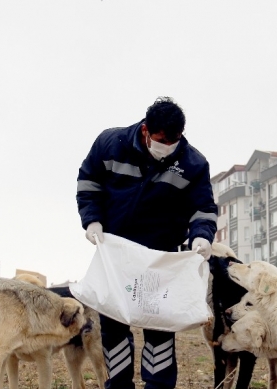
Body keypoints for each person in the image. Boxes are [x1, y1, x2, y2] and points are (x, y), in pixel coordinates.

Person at [76, 96, 218, 389]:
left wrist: (201, 236)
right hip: (116, 253)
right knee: (113, 324)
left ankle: (158, 386)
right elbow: (89, 182)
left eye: (174, 140)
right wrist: (92, 220)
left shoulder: (193, 163)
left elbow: (203, 208)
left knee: (160, 326)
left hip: (160, 257)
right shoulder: (110, 144)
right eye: (162, 140)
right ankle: (118, 385)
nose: (168, 146)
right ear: (146, 130)